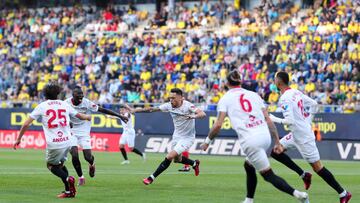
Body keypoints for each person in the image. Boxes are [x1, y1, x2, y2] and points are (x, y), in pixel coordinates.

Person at [200, 70, 310, 203]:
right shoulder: (254, 95)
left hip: (250, 140)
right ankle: (249, 199)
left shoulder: (225, 99)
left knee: (268, 175)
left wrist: (207, 141)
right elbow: (268, 120)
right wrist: (276, 141)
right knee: (248, 165)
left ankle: (300, 195)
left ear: (227, 83)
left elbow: (218, 125)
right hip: (265, 136)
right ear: (240, 82)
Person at [269, 71, 352, 203]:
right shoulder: (296, 92)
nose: (273, 81)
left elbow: (289, 121)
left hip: (304, 137)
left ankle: (343, 193)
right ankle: (304, 174)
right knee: (275, 152)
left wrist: (273, 118)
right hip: (296, 134)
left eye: (274, 79)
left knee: (318, 168)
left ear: (279, 82)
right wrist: (308, 121)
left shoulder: (285, 98)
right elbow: (314, 104)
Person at [13, 83, 91, 198]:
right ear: (58, 93)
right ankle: (69, 191)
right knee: (60, 165)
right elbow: (79, 116)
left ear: (45, 94)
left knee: (51, 165)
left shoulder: (42, 106)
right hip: (68, 141)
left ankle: (68, 179)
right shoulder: (64, 104)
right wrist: (87, 117)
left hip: (54, 143)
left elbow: (26, 124)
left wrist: (18, 139)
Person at [130, 88, 206, 185]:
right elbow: (151, 109)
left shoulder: (188, 106)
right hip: (177, 136)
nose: (171, 100)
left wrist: (193, 116)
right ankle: (194, 163)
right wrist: (135, 110)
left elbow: (202, 114)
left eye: (173, 98)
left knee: (169, 156)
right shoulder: (168, 106)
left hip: (187, 137)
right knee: (177, 160)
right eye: (170, 98)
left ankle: (151, 178)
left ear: (181, 98)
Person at [65, 86, 129, 186]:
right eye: (79, 97)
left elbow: (102, 110)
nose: (81, 99)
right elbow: (62, 116)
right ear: (73, 96)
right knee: (74, 154)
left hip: (84, 132)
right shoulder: (66, 103)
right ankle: (81, 177)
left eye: (82, 96)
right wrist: (67, 122)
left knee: (88, 157)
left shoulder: (87, 103)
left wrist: (120, 116)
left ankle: (92, 164)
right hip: (71, 132)